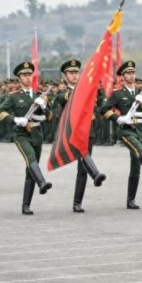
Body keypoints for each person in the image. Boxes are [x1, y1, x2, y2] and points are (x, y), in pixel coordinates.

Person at [99, 60, 142, 209]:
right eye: (128, 73)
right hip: (125, 130)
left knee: (136, 165)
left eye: (133, 72)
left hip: (139, 128)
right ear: (122, 76)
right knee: (136, 147)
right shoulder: (117, 94)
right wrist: (118, 118)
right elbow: (103, 110)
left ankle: (131, 200)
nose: (132, 75)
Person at [0, 61, 53, 215]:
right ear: (19, 78)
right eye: (24, 76)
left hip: (36, 135)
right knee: (31, 157)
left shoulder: (41, 96)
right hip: (21, 134)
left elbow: (51, 117)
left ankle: (26, 205)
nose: (27, 78)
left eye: (29, 75)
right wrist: (15, 119)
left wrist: (44, 107)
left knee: (30, 170)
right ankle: (42, 182)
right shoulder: (14, 96)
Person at [54, 59, 107, 213]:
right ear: (65, 76)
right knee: (83, 155)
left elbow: (98, 107)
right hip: (72, 133)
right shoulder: (63, 93)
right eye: (71, 73)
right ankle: (95, 173)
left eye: (77, 72)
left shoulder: (89, 90)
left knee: (82, 168)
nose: (75, 75)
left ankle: (78, 202)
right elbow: (63, 99)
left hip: (87, 130)